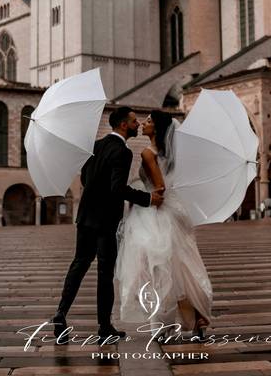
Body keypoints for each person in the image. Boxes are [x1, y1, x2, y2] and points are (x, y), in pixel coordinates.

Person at [51, 107, 164, 344]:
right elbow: (117, 188)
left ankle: (61, 313)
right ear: (123, 125)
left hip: (85, 216)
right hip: (105, 221)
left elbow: (84, 178)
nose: (137, 124)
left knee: (79, 265)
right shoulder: (122, 152)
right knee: (105, 272)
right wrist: (147, 199)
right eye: (134, 121)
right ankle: (104, 326)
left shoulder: (95, 146)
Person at [115, 110, 213, 339]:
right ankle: (197, 319)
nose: (143, 124)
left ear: (157, 128)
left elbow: (160, 187)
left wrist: (143, 194)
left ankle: (163, 326)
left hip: (156, 213)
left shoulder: (148, 154)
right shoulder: (170, 154)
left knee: (157, 270)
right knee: (180, 267)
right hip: (173, 212)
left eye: (148, 122)